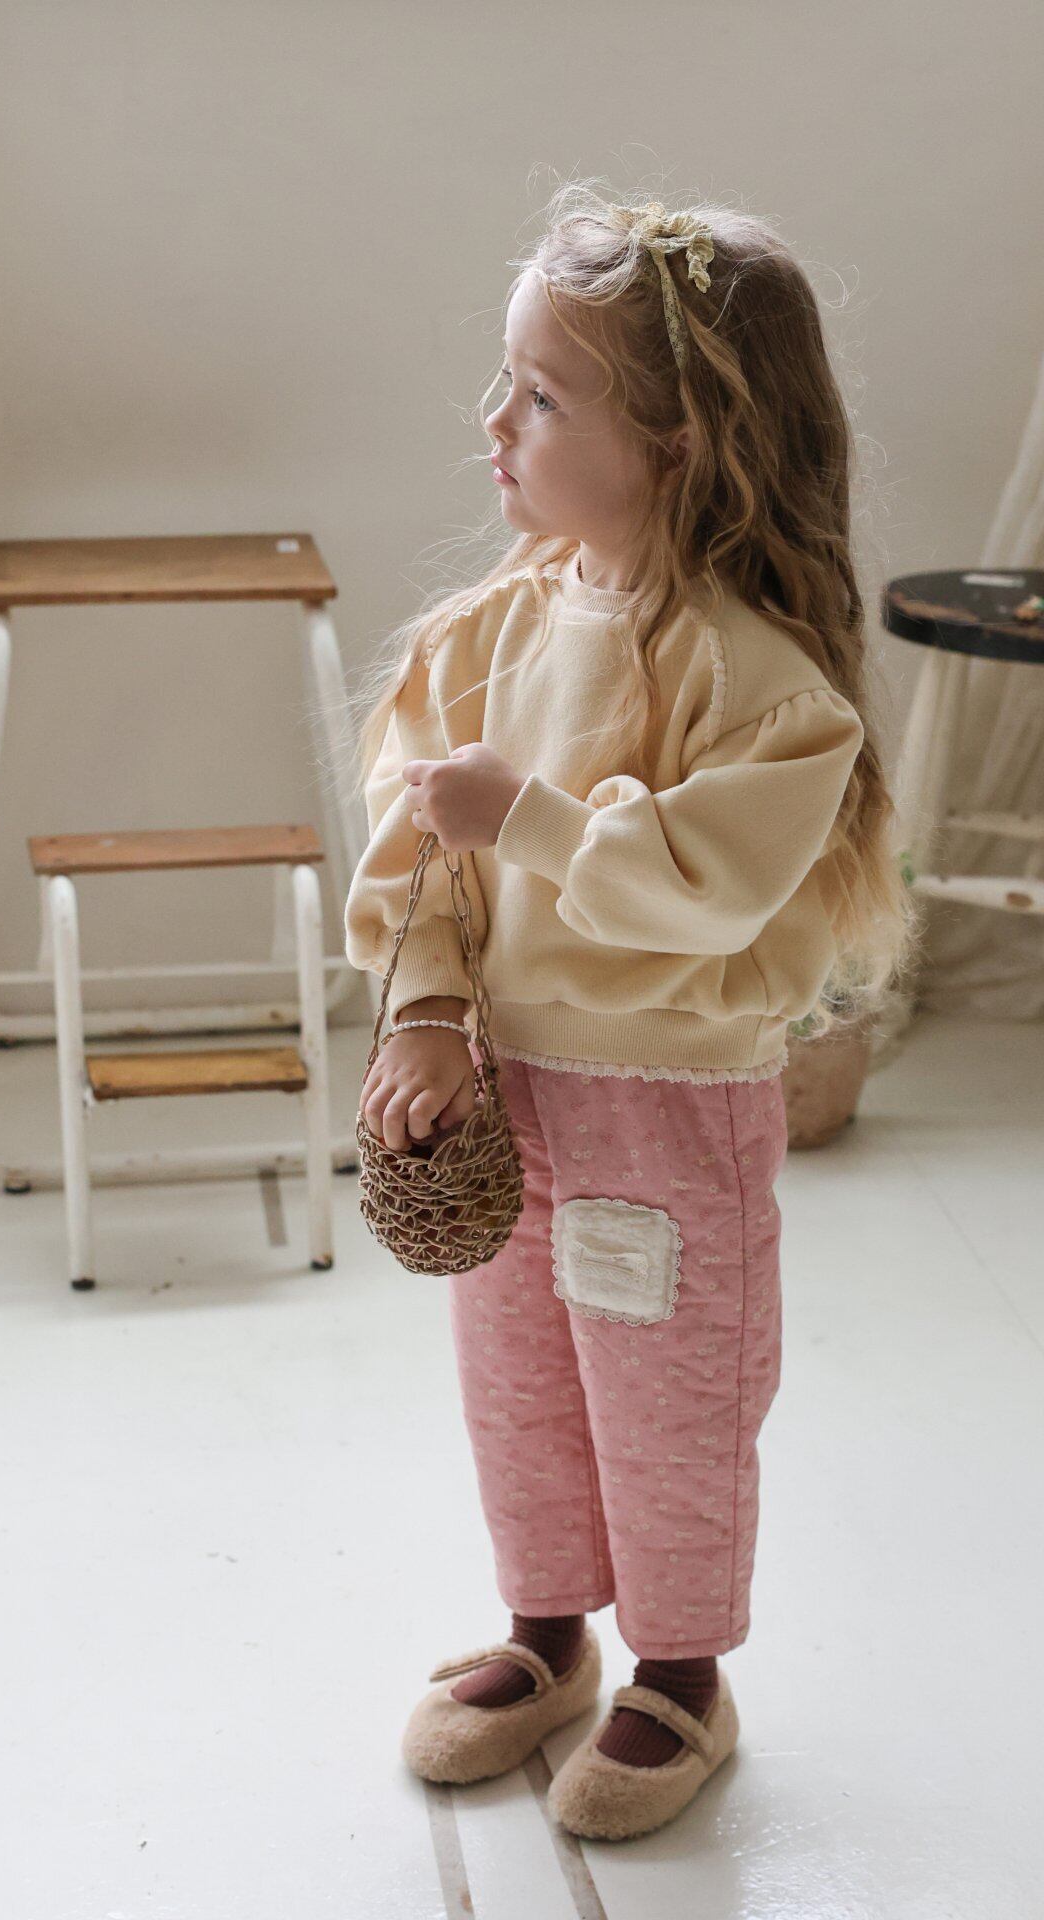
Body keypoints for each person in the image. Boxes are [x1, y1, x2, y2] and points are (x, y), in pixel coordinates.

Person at [342, 186, 919, 1843]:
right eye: (506, 380)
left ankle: (681, 1671)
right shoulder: (486, 637)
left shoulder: (759, 681)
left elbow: (705, 886)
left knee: (667, 1403)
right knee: (519, 1383)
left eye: (540, 395)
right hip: (508, 1089)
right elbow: (418, 860)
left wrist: (524, 815)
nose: (495, 423)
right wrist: (429, 1014)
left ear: (677, 443)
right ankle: (546, 1634)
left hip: (667, 1115)